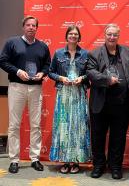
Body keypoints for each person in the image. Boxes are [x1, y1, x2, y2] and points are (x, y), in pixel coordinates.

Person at [0, 16, 51, 173]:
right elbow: (2, 61)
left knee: (35, 125)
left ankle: (35, 158)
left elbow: (48, 65)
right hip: (17, 87)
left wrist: (42, 73)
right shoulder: (12, 42)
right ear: (23, 27)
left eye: (34, 25)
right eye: (28, 25)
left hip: (35, 88)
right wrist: (17, 71)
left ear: (37, 27)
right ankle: (14, 160)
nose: (31, 27)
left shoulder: (43, 46)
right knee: (14, 125)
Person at [86, 23, 129, 179]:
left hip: (122, 104)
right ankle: (98, 165)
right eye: (109, 34)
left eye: (115, 35)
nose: (112, 37)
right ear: (104, 35)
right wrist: (107, 80)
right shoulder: (94, 53)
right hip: (100, 103)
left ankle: (115, 166)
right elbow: (91, 73)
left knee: (118, 137)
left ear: (118, 36)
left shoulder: (128, 51)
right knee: (98, 136)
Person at [48, 25, 91, 174]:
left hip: (78, 94)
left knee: (78, 127)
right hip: (64, 94)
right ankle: (65, 160)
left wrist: (82, 78)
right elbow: (50, 72)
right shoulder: (58, 53)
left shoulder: (85, 54)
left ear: (79, 37)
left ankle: (76, 161)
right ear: (66, 36)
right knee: (64, 126)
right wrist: (60, 78)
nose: (73, 36)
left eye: (76, 34)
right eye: (70, 34)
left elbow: (90, 73)